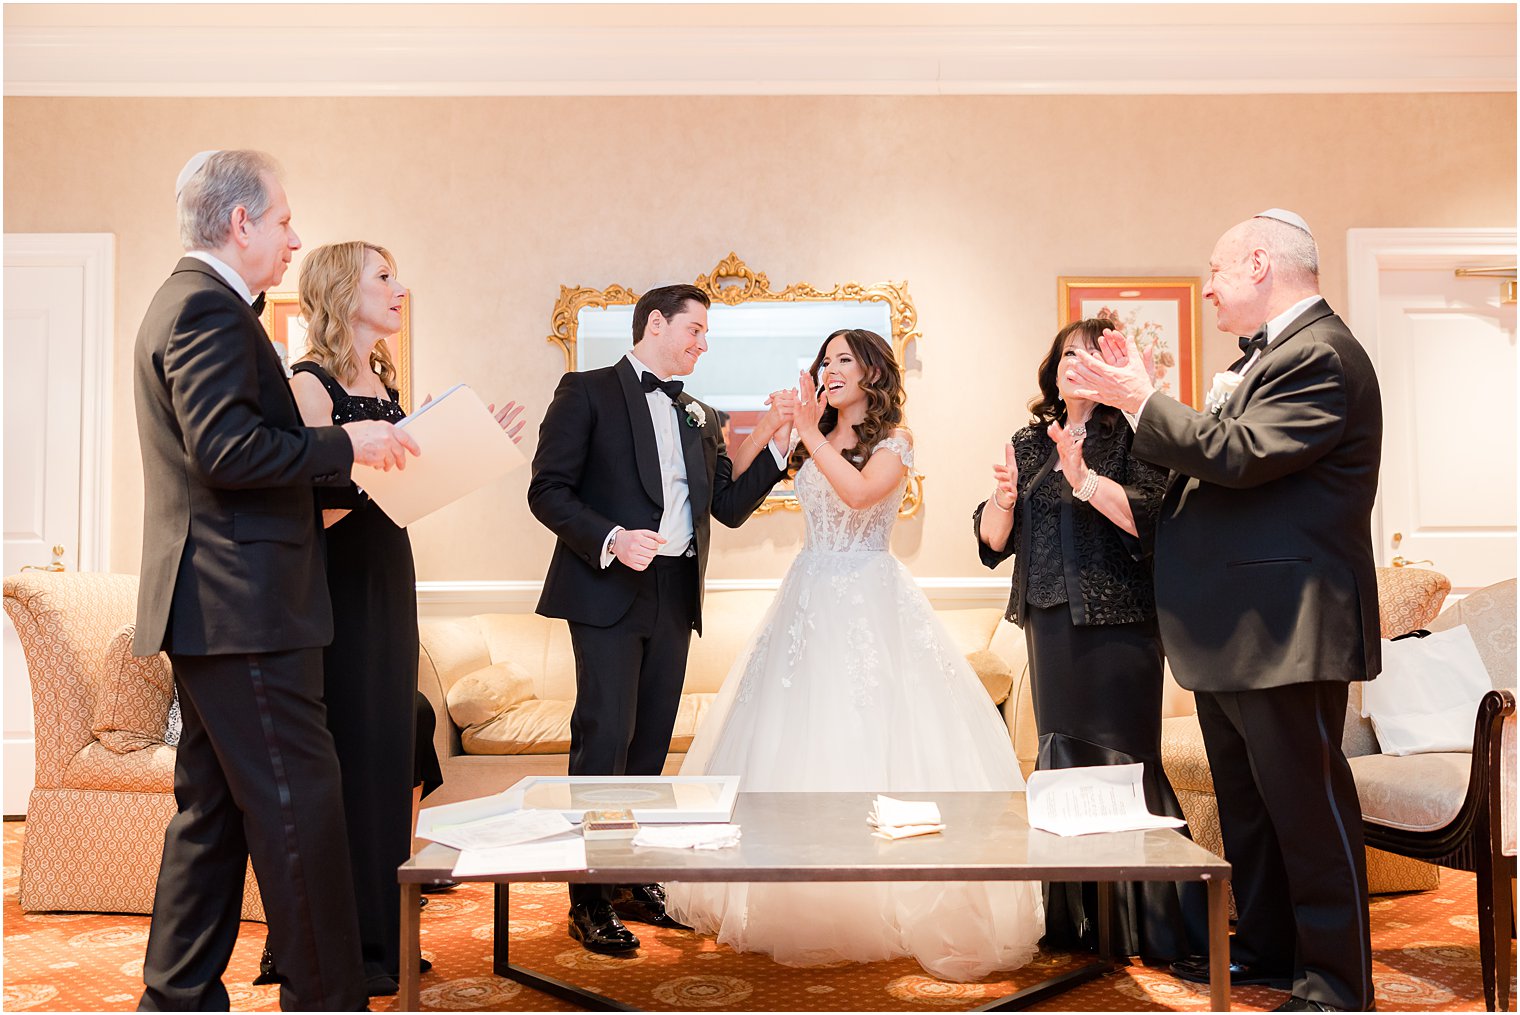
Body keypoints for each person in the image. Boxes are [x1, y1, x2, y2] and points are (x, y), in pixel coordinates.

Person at [1066, 210, 1381, 1013]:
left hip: (1288, 625)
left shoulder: (1321, 355)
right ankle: (1273, 951)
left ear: (1257, 262)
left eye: (1214, 271)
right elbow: (1222, 459)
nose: (1207, 289)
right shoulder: (1277, 354)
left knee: (1308, 813)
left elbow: (1236, 457)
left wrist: (1143, 400)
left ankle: (1337, 985)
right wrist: (1150, 401)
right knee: (1252, 810)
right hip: (1240, 627)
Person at [666, 328, 1045, 983]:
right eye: (825, 361)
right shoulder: (811, 432)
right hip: (808, 596)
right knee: (789, 741)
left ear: (873, 371)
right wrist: (773, 426)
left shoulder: (897, 440)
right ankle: (794, 894)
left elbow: (862, 493)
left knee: (875, 737)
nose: (830, 369)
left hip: (870, 597)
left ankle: (888, 897)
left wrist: (808, 433)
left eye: (844, 359)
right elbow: (732, 487)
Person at [132, 150, 417, 1011]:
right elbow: (225, 453)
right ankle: (327, 1001)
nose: (296, 236)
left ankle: (176, 996)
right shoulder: (207, 313)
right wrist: (347, 445)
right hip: (244, 607)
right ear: (241, 222)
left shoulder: (191, 304)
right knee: (302, 808)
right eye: (285, 219)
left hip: (222, 606)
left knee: (212, 819)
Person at [281, 240, 525, 995]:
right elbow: (306, 508)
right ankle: (342, 947)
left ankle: (385, 937)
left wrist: (468, 448)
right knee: (348, 761)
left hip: (391, 573)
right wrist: (392, 466)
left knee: (388, 754)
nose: (399, 287)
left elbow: (402, 481)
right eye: (384, 276)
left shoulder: (382, 380)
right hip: (339, 587)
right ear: (340, 288)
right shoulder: (309, 384)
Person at [527, 283, 795, 954]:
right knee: (605, 738)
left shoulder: (698, 413)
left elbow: (727, 506)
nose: (704, 344)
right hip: (606, 586)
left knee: (649, 747)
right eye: (696, 330)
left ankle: (628, 877)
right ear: (655, 323)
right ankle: (586, 898)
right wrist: (612, 535)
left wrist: (779, 451)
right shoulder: (584, 391)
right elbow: (546, 491)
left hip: (675, 592)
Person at [971, 317, 1206, 964]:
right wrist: (1004, 499)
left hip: (1122, 621)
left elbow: (1152, 520)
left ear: (1111, 370)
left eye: (1091, 354)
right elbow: (994, 541)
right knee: (1063, 767)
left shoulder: (1133, 435)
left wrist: (1083, 480)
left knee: (1126, 765)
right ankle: (1078, 923)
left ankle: (1157, 925)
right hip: (1048, 621)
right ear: (1053, 367)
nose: (1076, 362)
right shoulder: (1028, 439)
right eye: (1068, 352)